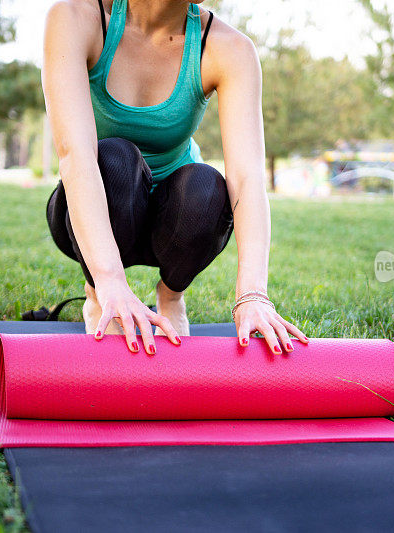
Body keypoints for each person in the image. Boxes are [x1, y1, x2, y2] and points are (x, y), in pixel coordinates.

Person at [42, 0, 308, 355]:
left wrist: (253, 295)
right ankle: (95, 295)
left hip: (173, 224)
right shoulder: (76, 18)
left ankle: (171, 297)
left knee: (206, 186)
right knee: (117, 158)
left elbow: (246, 180)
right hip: (94, 209)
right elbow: (75, 156)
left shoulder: (229, 48)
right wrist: (108, 281)